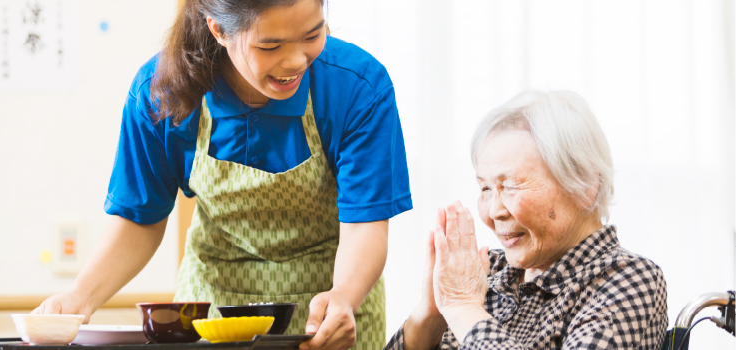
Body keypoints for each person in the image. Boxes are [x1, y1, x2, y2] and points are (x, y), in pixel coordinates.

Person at [32, 0, 412, 349]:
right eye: (271, 45)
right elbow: (139, 218)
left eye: (313, 34)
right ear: (219, 30)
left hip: (330, 315)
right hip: (215, 314)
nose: (297, 60)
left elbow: (365, 224)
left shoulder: (358, 86)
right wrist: (79, 298)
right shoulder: (161, 91)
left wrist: (344, 295)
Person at [385, 91, 667, 349]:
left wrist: (463, 309)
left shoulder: (629, 278)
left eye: (511, 186)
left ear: (584, 186)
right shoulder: (484, 271)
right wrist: (431, 313)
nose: (494, 211)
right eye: (485, 188)